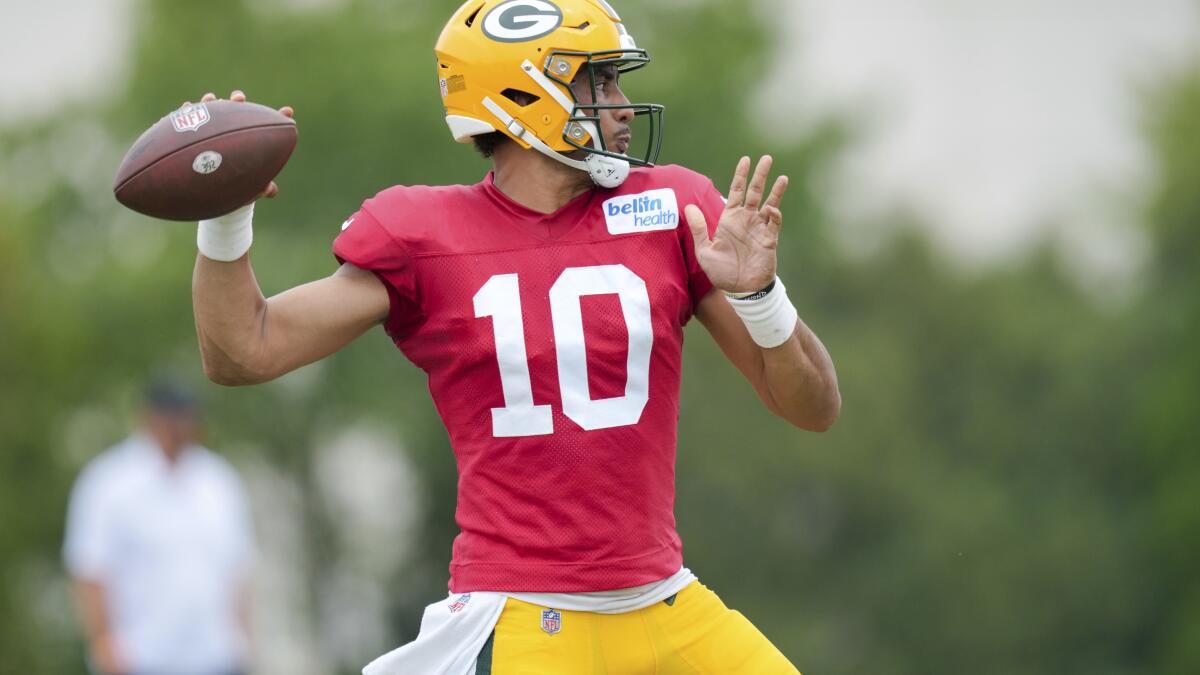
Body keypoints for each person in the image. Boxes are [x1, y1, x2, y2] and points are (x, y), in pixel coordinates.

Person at [189, 0, 840, 672]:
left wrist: (760, 298)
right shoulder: (424, 233)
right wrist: (223, 219)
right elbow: (244, 349)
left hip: (665, 602)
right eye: (600, 83)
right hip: (527, 616)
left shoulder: (674, 209)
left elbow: (812, 406)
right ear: (525, 95)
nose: (622, 107)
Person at [63, 380, 254, 675]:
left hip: (216, 658)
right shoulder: (108, 483)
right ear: (150, 417)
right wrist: (103, 645)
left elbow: (237, 569)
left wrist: (242, 641)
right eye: (172, 416)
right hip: (142, 659)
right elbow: (90, 571)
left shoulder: (218, 481)